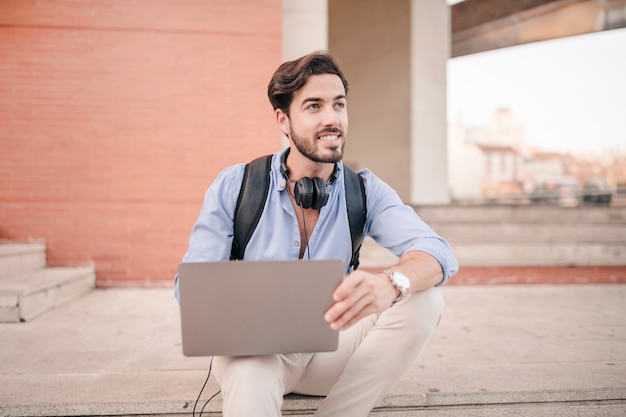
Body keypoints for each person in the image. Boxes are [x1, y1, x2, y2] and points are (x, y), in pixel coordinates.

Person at [175, 51, 458, 417]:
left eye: (338, 105)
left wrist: (392, 281)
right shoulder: (236, 185)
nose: (331, 119)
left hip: (329, 352)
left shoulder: (365, 190)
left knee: (426, 300)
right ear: (284, 120)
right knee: (250, 365)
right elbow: (192, 289)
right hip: (254, 352)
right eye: (314, 106)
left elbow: (437, 252)